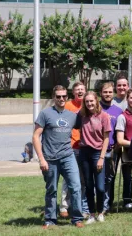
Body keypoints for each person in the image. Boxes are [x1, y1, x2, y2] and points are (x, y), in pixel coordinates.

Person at [32, 85, 84, 229]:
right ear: (53, 98)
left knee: (76, 186)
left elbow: (86, 124)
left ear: (67, 97)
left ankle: (77, 218)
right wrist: (41, 159)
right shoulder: (45, 114)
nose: (61, 99)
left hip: (68, 156)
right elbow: (36, 137)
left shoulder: (72, 116)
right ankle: (50, 220)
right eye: (58, 96)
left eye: (64, 96)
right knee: (52, 190)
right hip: (50, 159)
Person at [79, 91, 111, 224]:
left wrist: (101, 158)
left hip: (98, 153)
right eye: (87, 102)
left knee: (100, 187)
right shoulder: (81, 115)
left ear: (96, 101)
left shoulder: (104, 116)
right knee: (88, 185)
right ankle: (92, 214)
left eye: (91, 101)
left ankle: (100, 212)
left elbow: (106, 138)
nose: (89, 104)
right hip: (84, 153)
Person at [111, 74, 132, 209]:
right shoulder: (111, 102)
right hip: (112, 145)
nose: (122, 87)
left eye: (124, 85)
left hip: (127, 146)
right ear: (115, 87)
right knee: (110, 175)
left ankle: (127, 200)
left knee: (128, 175)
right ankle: (109, 202)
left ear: (128, 86)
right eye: (119, 85)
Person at [60, 81, 89, 218]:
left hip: (84, 147)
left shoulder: (88, 105)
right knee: (68, 178)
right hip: (70, 147)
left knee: (82, 180)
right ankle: (64, 207)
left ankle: (79, 207)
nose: (80, 92)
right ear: (73, 92)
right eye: (77, 89)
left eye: (82, 89)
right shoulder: (67, 106)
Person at [99, 82, 123, 214]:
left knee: (110, 178)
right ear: (101, 93)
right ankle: (98, 204)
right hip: (97, 149)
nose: (107, 94)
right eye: (105, 92)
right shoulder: (96, 107)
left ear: (113, 93)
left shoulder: (118, 111)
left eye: (110, 92)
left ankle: (107, 205)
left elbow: (120, 130)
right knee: (98, 178)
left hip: (112, 150)